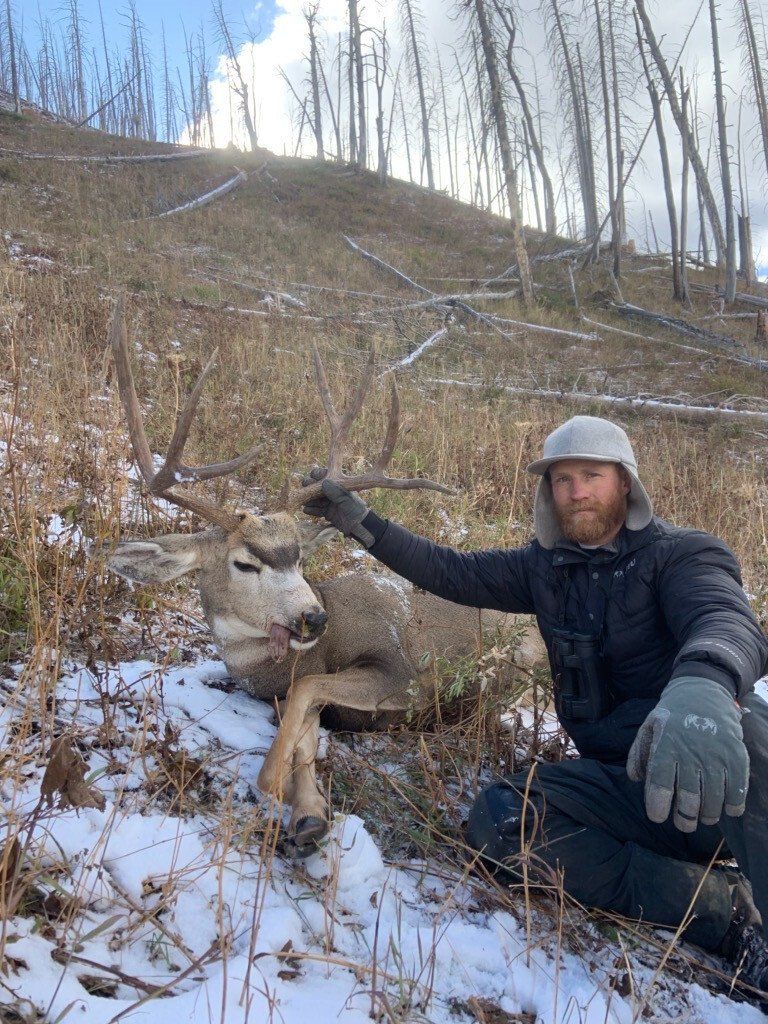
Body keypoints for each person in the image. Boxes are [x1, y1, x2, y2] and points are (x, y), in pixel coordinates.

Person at [303, 415, 768, 991]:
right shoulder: (544, 569)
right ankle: (722, 911)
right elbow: (449, 571)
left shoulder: (683, 554)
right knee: (503, 822)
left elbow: (724, 618)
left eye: (591, 475)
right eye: (562, 479)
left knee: (750, 733)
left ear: (625, 482)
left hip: (720, 784)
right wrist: (362, 523)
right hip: (629, 785)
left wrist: (704, 682)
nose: (576, 492)